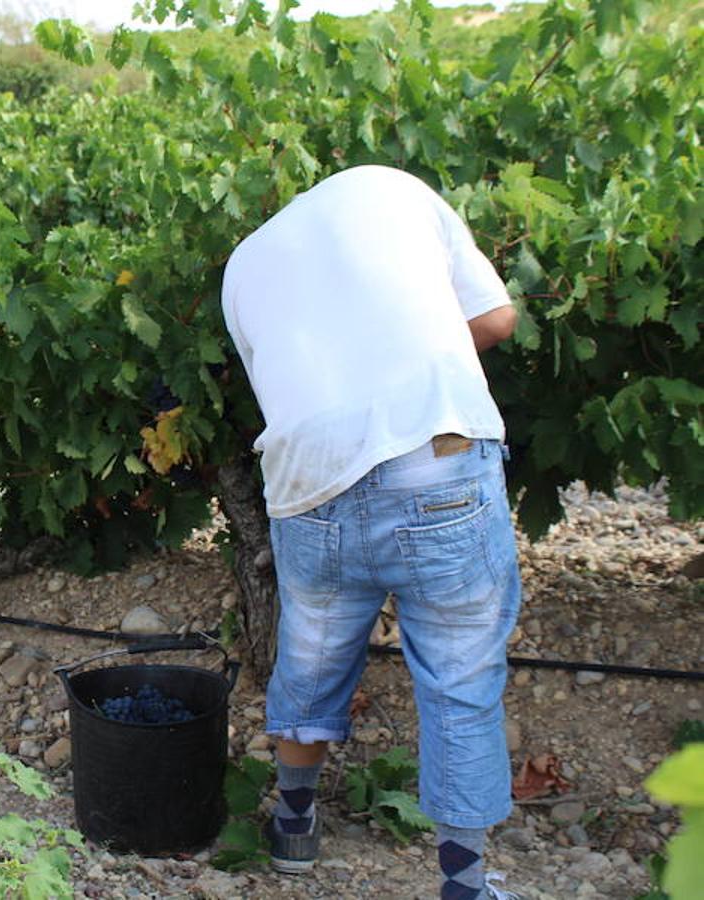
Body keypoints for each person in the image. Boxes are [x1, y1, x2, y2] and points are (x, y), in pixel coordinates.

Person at [220, 165, 524, 900]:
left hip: (309, 485)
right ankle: (464, 885)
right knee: (459, 679)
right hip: (434, 463)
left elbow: (286, 386)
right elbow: (496, 319)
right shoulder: (393, 187)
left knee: (312, 654)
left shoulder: (243, 261)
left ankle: (294, 825)